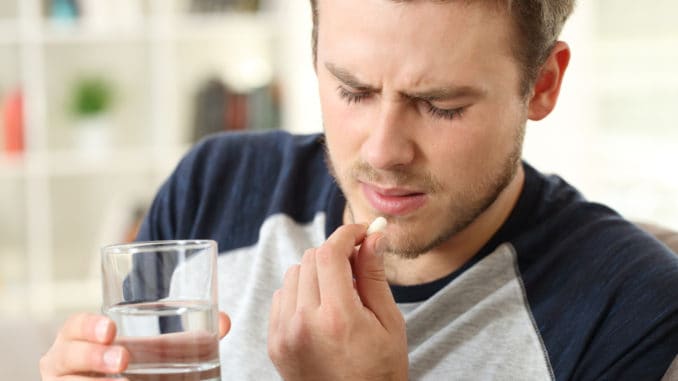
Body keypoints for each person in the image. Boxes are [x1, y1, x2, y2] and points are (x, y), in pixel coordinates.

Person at [40, 0, 678, 380]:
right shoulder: (215, 188)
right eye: (352, 90)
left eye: (440, 104)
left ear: (542, 85)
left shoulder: (632, 309)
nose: (381, 152)